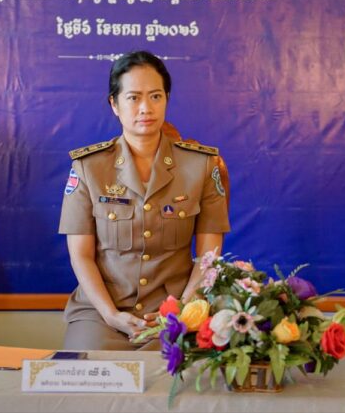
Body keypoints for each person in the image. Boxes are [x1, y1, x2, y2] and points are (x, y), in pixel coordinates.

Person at [59, 50, 230, 350]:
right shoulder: (88, 167)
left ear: (166, 99)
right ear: (114, 104)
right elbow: (81, 255)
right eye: (133, 97)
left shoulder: (202, 166)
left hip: (175, 310)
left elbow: (209, 255)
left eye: (155, 96)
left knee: (175, 374)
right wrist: (111, 315)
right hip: (102, 311)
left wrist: (181, 312)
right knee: (88, 372)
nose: (145, 108)